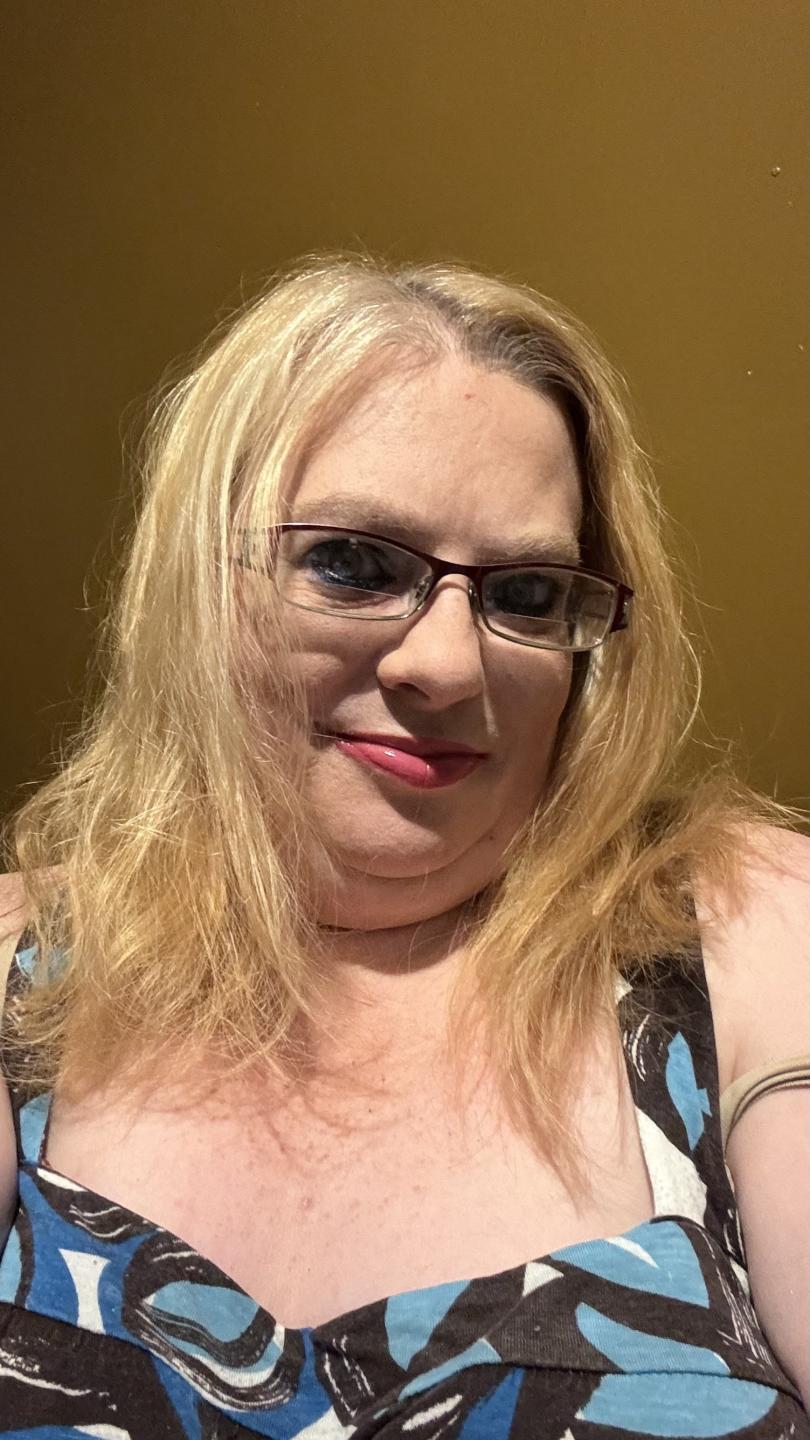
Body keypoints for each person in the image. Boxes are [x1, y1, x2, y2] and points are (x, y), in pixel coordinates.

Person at [0, 255, 807, 1437]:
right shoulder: (20, 963)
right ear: (197, 580)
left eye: (525, 594)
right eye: (352, 564)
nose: (445, 664)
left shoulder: (737, 922)